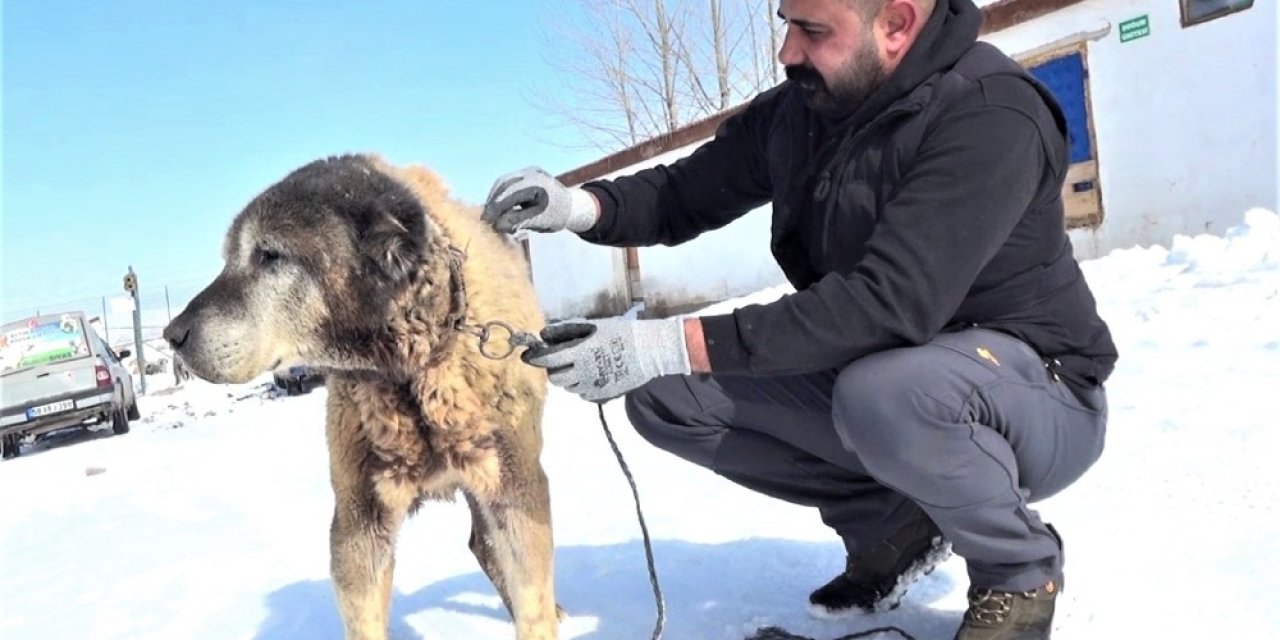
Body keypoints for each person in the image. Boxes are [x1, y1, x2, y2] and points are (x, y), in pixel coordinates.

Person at [481, 0, 1116, 638]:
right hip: (887, 371)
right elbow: (683, 192)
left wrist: (665, 341)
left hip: (1039, 392)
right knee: (667, 396)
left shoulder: (989, 111)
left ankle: (1019, 572)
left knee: (884, 393)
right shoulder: (806, 109)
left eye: (812, 30)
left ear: (896, 25)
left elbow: (887, 303)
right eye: (786, 23)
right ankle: (891, 526)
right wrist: (577, 207)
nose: (788, 51)